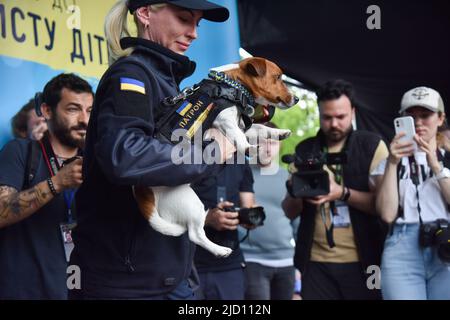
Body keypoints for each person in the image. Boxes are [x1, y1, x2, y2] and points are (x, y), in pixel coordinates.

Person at [69, 0, 232, 300]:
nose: (193, 32)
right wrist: (210, 152)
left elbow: (182, 175)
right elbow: (126, 156)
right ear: (145, 13)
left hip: (169, 277)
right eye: (184, 18)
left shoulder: (171, 86)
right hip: (124, 284)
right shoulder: (131, 73)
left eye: (197, 23)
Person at [282, 79, 389, 300]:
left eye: (341, 117)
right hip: (315, 262)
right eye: (327, 117)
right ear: (319, 113)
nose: (334, 124)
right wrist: (296, 190)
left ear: (353, 112)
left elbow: (384, 208)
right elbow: (289, 211)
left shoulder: (371, 145)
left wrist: (340, 192)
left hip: (367, 259)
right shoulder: (305, 148)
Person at [0, 73, 93, 299]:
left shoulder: (97, 162)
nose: (84, 119)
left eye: (89, 111)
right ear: (47, 111)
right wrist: (57, 182)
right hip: (25, 292)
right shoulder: (21, 152)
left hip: (80, 290)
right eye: (73, 109)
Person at [373, 86, 450, 300]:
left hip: (445, 240)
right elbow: (387, 214)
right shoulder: (389, 161)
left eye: (425, 115)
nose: (418, 123)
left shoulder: (447, 158)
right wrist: (392, 162)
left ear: (441, 118)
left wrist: (436, 167)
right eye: (411, 116)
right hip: (402, 243)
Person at [237, 122, 298, 300]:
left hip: (287, 260)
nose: (267, 148)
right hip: (251, 260)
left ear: (280, 145)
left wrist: (300, 264)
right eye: (262, 141)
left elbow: (297, 220)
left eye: (273, 142)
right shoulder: (240, 174)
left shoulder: (289, 177)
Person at [191, 158, 255, 300]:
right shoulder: (188, 157)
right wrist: (207, 219)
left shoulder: (240, 162)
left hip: (230, 263)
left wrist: (250, 218)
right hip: (190, 264)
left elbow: (248, 206)